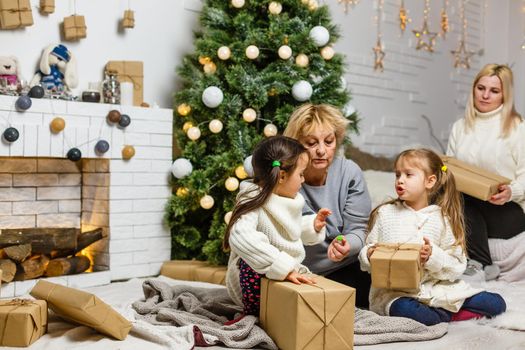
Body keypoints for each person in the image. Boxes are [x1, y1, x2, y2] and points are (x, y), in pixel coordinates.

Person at [358, 148, 506, 326]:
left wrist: (432, 256)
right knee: (405, 309)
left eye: (408, 175)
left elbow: (457, 265)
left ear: (430, 181)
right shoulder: (385, 213)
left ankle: (440, 315)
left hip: (438, 289)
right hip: (397, 294)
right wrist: (369, 254)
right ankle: (448, 316)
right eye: (397, 175)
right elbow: (367, 255)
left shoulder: (442, 219)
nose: (400, 180)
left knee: (496, 303)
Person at [224, 135, 331, 315]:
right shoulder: (252, 198)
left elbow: (287, 230)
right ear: (282, 175)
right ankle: (256, 312)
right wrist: (282, 266)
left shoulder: (289, 199)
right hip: (253, 281)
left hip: (284, 274)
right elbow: (240, 235)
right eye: (301, 174)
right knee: (249, 264)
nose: (303, 180)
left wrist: (312, 226)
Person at [283, 103, 372, 308]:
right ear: (296, 144)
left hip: (344, 268)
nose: (322, 151)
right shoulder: (285, 177)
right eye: (311, 143)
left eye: (329, 141)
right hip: (296, 272)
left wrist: (346, 244)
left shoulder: (349, 172)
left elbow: (359, 229)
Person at [447, 63, 525, 281]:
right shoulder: (460, 127)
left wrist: (511, 192)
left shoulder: (518, 128)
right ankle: (482, 265)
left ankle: (480, 263)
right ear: (473, 88)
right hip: (468, 205)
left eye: (494, 91)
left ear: (504, 95)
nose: (485, 95)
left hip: (508, 210)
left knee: (462, 199)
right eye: (481, 88)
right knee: (452, 195)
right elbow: (450, 169)